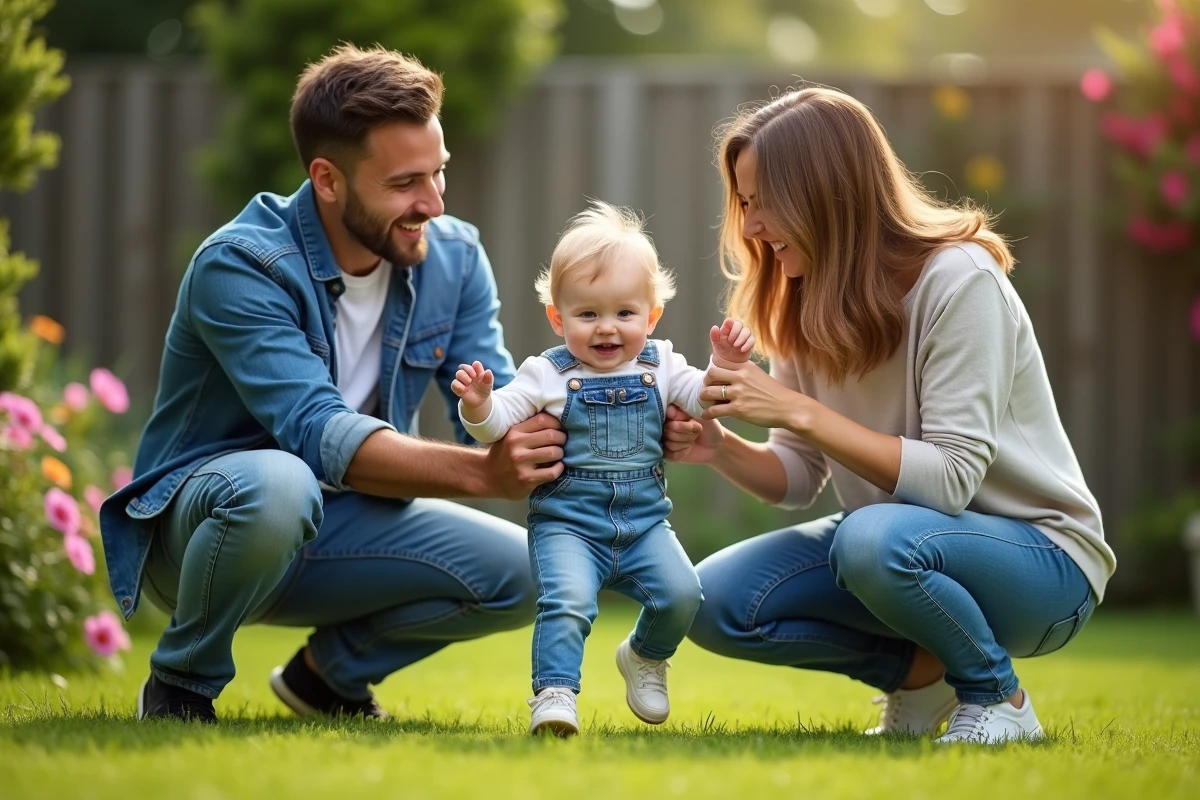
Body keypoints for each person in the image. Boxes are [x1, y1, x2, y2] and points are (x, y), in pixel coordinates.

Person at [98, 45, 700, 723]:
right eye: (406, 183)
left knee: (536, 570)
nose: (433, 203)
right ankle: (182, 684)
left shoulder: (453, 257)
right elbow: (318, 434)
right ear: (327, 179)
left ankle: (329, 679)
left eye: (438, 174)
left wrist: (632, 414)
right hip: (206, 535)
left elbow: (503, 403)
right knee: (280, 484)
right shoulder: (242, 266)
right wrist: (484, 474)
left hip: (348, 526)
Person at [679, 87, 1117, 744]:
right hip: (898, 548)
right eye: (743, 203)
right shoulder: (797, 298)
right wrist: (719, 447)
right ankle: (922, 677)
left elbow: (949, 481)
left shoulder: (959, 281)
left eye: (764, 201)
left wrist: (795, 409)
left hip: (1044, 563)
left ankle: (999, 698)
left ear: (826, 192)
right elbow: (799, 477)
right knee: (706, 600)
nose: (749, 226)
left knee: (870, 539)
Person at [451, 201, 755, 736]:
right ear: (558, 318)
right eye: (587, 314)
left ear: (652, 315)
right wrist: (477, 404)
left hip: (644, 523)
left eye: (624, 313)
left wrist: (724, 368)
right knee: (566, 602)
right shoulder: (545, 373)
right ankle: (555, 695)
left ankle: (644, 656)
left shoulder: (662, 365)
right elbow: (496, 424)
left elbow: (703, 399)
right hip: (568, 522)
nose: (606, 329)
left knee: (683, 593)